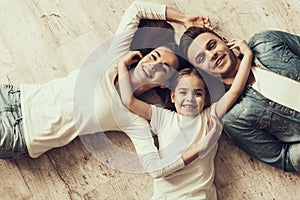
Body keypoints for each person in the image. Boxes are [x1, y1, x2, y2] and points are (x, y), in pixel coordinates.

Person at [0, 1, 216, 175]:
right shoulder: (115, 55)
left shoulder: (133, 118)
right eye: (154, 56)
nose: (153, 64)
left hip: (21, 133)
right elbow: (136, 9)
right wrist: (184, 18)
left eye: (164, 68)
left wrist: (198, 148)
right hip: (15, 95)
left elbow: (155, 168)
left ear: (164, 83)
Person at [117, 35, 252, 199]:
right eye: (183, 92)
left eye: (198, 93)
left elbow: (235, 90)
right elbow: (129, 101)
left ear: (205, 98)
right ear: (173, 97)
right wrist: (122, 65)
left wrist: (247, 55)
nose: (190, 99)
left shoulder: (209, 116)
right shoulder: (162, 117)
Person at [179, 27, 300, 172]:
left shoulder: (265, 42)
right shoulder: (233, 118)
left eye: (212, 45)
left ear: (225, 41)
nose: (211, 55)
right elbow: (283, 157)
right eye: (201, 58)